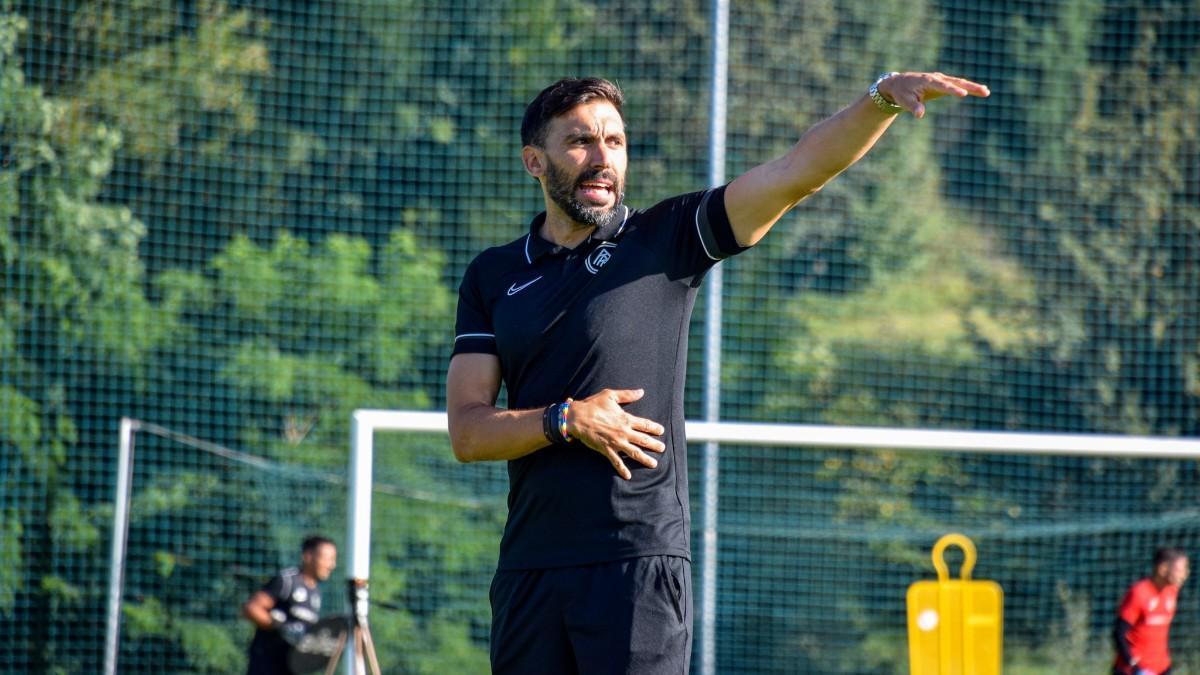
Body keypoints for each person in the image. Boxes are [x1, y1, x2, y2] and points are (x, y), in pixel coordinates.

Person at [447, 72, 988, 674]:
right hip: (530, 567)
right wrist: (566, 419)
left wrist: (881, 98)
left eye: (616, 141)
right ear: (534, 161)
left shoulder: (664, 238)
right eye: (580, 142)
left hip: (637, 558)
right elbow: (469, 433)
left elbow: (794, 173)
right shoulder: (493, 275)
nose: (603, 158)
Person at [242, 536, 338, 675]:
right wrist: (278, 626)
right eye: (327, 558)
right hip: (267, 666)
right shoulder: (287, 581)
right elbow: (251, 608)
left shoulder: (316, 593)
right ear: (308, 556)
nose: (331, 565)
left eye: (333, 559)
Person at [1113, 547, 1190, 675]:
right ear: (1163, 569)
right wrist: (1134, 666)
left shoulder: (1172, 591)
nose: (1185, 574)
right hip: (1133, 670)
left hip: (1162, 668)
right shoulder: (1139, 593)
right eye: (1181, 570)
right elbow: (1118, 633)